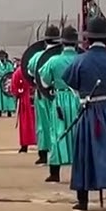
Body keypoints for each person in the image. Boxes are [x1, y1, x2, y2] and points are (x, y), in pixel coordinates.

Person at [63, 17, 106, 211]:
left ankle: (82, 201)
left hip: (90, 111)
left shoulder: (80, 60)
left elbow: (70, 83)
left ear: (88, 40)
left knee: (85, 153)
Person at [38, 26, 80, 184]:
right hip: (78, 99)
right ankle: (79, 170)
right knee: (78, 133)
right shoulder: (81, 59)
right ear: (75, 44)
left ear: (62, 44)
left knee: (57, 132)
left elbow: (44, 81)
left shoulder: (53, 61)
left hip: (60, 99)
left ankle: (55, 172)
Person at [27, 25, 61, 166]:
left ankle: (43, 154)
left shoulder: (37, 56)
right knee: (59, 124)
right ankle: (60, 152)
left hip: (42, 93)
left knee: (43, 123)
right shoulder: (61, 55)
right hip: (60, 94)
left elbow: (29, 72)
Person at [9, 61, 37, 154]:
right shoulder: (37, 68)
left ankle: (24, 146)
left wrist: (17, 95)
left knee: (26, 124)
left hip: (25, 99)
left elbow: (14, 87)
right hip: (38, 98)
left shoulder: (18, 71)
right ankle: (44, 146)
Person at [0, 50, 16, 118]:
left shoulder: (9, 64)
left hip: (6, 81)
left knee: (8, 96)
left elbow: (12, 73)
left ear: (5, 56)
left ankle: (9, 110)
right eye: (0, 55)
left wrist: (9, 79)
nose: (1, 57)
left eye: (3, 55)